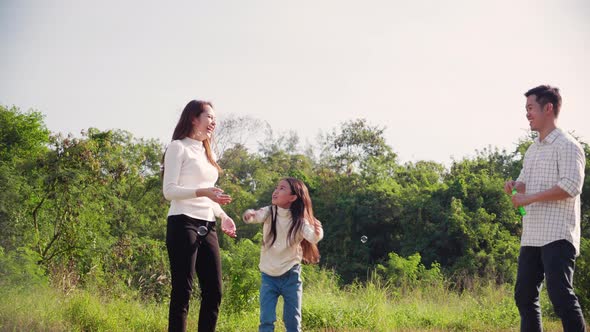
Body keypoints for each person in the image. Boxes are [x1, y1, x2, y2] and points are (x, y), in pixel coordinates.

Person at [504, 85, 586, 332]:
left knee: (560, 295)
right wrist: (516, 185)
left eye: (531, 108)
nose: (527, 114)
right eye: (526, 109)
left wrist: (528, 199)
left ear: (548, 108)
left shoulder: (568, 145)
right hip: (532, 236)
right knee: (524, 295)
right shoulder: (532, 150)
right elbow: (526, 181)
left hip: (558, 234)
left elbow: (571, 186)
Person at [162, 100, 237, 332]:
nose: (213, 121)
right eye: (209, 117)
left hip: (208, 223)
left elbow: (209, 194)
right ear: (194, 118)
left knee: (214, 291)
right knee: (183, 290)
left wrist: (223, 215)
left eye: (215, 118)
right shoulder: (178, 147)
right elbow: (169, 191)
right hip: (183, 222)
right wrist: (204, 192)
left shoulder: (208, 151)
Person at [243, 177, 324, 332]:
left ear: (293, 197)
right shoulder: (269, 211)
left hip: (291, 275)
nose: (276, 191)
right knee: (266, 320)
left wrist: (318, 232)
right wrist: (249, 214)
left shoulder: (300, 221)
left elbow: (312, 237)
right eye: (276, 187)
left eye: (282, 188)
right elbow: (255, 216)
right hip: (268, 276)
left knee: (292, 321)